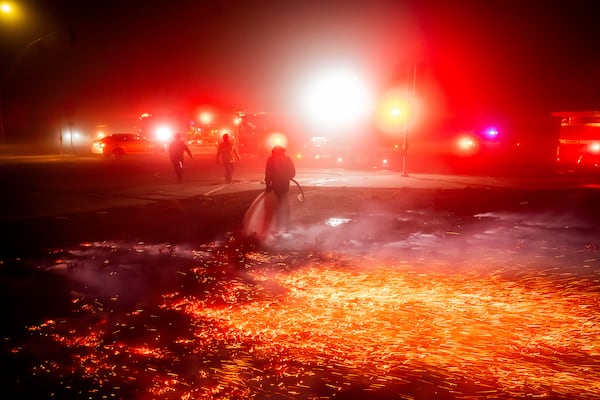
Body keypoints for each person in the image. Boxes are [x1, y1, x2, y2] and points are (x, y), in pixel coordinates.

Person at [265, 145, 296, 231]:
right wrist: (268, 184)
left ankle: (283, 219)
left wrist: (285, 178)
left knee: (282, 199)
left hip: (283, 183)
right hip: (278, 183)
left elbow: (292, 172)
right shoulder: (272, 160)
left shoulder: (284, 159)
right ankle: (283, 218)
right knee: (282, 199)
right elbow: (268, 173)